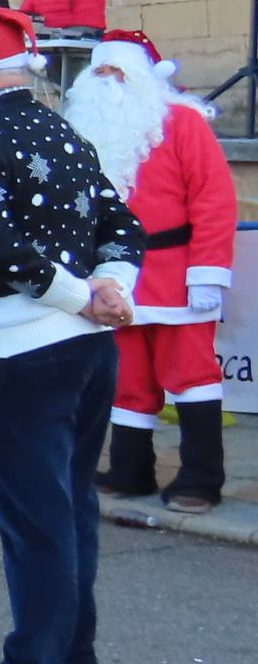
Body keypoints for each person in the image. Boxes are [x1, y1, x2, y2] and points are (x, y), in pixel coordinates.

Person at [0, 7, 142, 664]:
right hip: (86, 351)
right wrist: (112, 289)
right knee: (71, 504)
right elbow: (122, 222)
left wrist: (84, 296)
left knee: (37, 518)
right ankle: (74, 660)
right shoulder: (64, 133)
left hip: (21, 349)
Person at [66, 31, 237, 513]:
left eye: (118, 71)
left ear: (142, 76)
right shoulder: (82, 130)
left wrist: (208, 270)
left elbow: (214, 198)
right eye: (100, 71)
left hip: (179, 270)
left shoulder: (182, 123)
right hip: (115, 274)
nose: (108, 80)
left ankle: (202, 477)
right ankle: (129, 467)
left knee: (191, 374)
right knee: (128, 376)